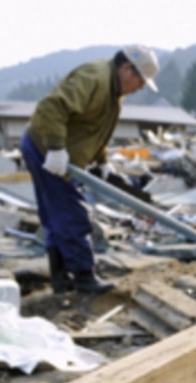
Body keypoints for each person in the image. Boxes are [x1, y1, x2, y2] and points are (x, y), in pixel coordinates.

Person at [20, 44, 159, 294]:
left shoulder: (113, 91)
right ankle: (84, 278)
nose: (140, 88)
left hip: (53, 150)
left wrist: (102, 162)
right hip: (44, 147)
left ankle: (61, 279)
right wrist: (55, 148)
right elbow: (52, 107)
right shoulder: (94, 78)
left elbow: (94, 130)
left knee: (54, 214)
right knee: (73, 213)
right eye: (140, 81)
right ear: (127, 69)